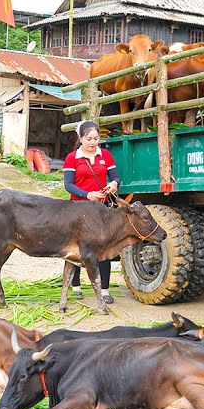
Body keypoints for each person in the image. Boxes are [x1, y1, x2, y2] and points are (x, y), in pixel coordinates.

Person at [62, 120, 119, 304]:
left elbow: (115, 176)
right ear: (80, 138)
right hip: (78, 209)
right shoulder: (73, 158)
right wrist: (87, 194)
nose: (93, 142)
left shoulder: (106, 155)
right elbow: (68, 185)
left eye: (96, 138)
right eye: (89, 139)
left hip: (101, 210)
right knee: (77, 248)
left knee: (104, 248)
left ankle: (104, 290)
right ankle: (76, 286)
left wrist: (113, 184)